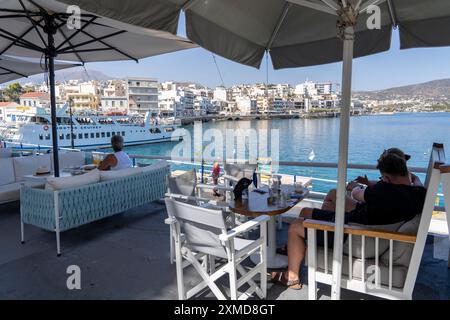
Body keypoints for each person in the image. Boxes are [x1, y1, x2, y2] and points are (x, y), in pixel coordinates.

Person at [271, 150, 427, 290]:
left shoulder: (384, 190)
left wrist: (355, 187)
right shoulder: (419, 193)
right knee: (307, 211)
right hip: (365, 232)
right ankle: (296, 247)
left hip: (351, 236)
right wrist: (414, 179)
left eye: (382, 177)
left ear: (386, 177)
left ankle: (291, 277)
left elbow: (357, 194)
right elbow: (417, 182)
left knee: (295, 226)